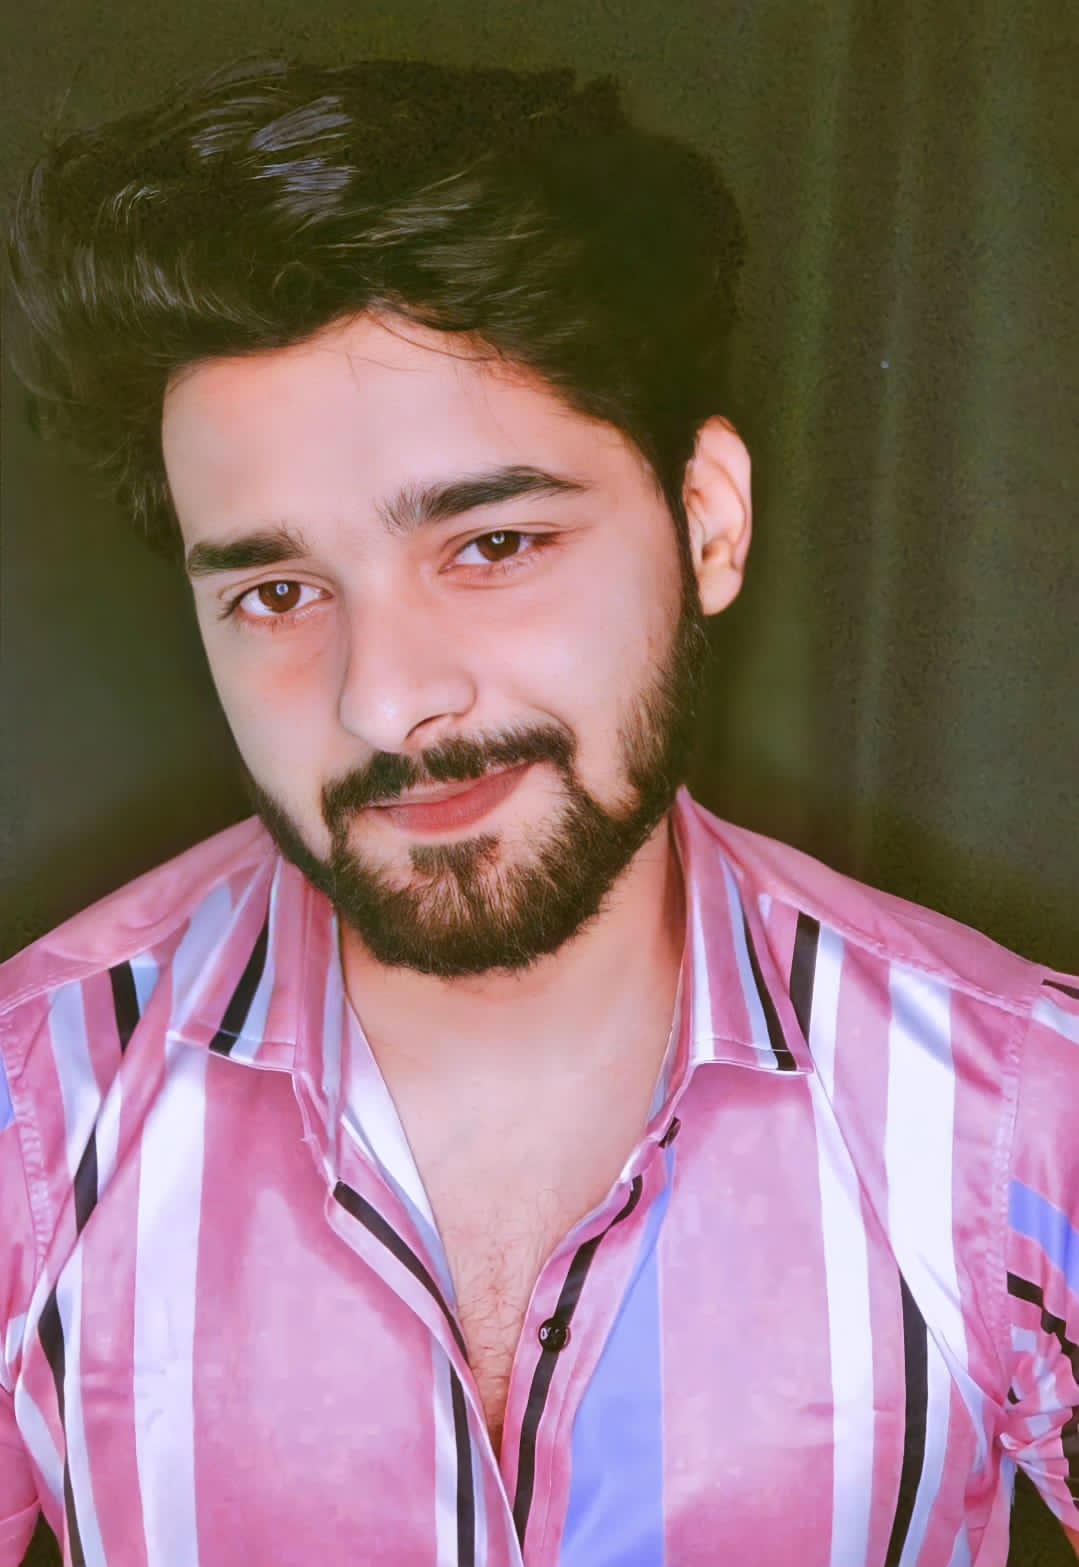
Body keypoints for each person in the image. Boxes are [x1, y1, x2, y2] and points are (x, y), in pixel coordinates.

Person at [1, 52, 1076, 1567]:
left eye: (494, 544)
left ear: (706, 523)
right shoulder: (30, 1118)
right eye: (279, 592)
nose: (388, 702)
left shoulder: (1024, 1117)